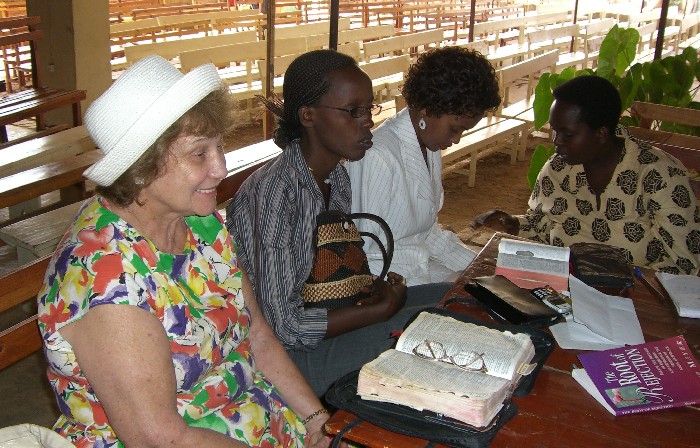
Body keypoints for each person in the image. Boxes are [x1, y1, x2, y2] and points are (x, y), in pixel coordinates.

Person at [37, 55, 333, 447]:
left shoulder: (200, 223)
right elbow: (160, 439)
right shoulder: (107, 280)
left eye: (219, 147)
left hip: (259, 423)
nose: (221, 167)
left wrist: (318, 423)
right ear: (142, 167)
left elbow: (258, 336)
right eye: (199, 154)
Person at [227, 50, 445, 397]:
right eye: (353, 111)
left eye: (369, 109)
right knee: (427, 335)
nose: (367, 121)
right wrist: (380, 310)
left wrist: (370, 292)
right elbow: (284, 326)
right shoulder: (275, 194)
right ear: (308, 115)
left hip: (320, 324)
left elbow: (328, 274)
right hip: (282, 358)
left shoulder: (336, 178)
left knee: (449, 299)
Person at [472, 75, 700, 275]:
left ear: (601, 133)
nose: (556, 142)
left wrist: (623, 284)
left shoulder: (658, 176)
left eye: (568, 134)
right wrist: (513, 224)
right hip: (563, 288)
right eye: (555, 131)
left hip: (635, 297)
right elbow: (542, 224)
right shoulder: (558, 169)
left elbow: (684, 263)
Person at [345, 47, 502, 286]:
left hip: (418, 266)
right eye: (455, 129)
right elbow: (362, 251)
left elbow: (426, 232)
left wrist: (479, 264)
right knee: (474, 295)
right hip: (387, 282)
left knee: (491, 284)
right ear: (428, 108)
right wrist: (430, 286)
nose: (456, 139)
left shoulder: (429, 145)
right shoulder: (378, 155)